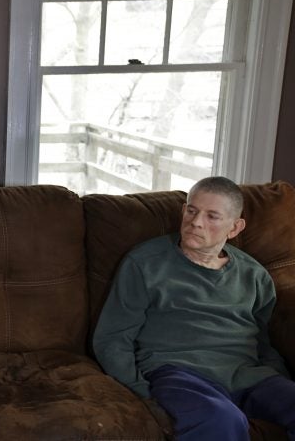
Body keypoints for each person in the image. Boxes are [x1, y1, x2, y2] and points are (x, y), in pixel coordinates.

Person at [93, 176, 295, 440]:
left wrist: (279, 377)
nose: (196, 222)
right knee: (222, 420)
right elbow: (112, 337)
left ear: (235, 228)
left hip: (248, 375)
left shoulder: (254, 275)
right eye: (191, 210)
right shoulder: (145, 263)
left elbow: (263, 340)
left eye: (212, 216)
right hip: (178, 373)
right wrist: (140, 389)